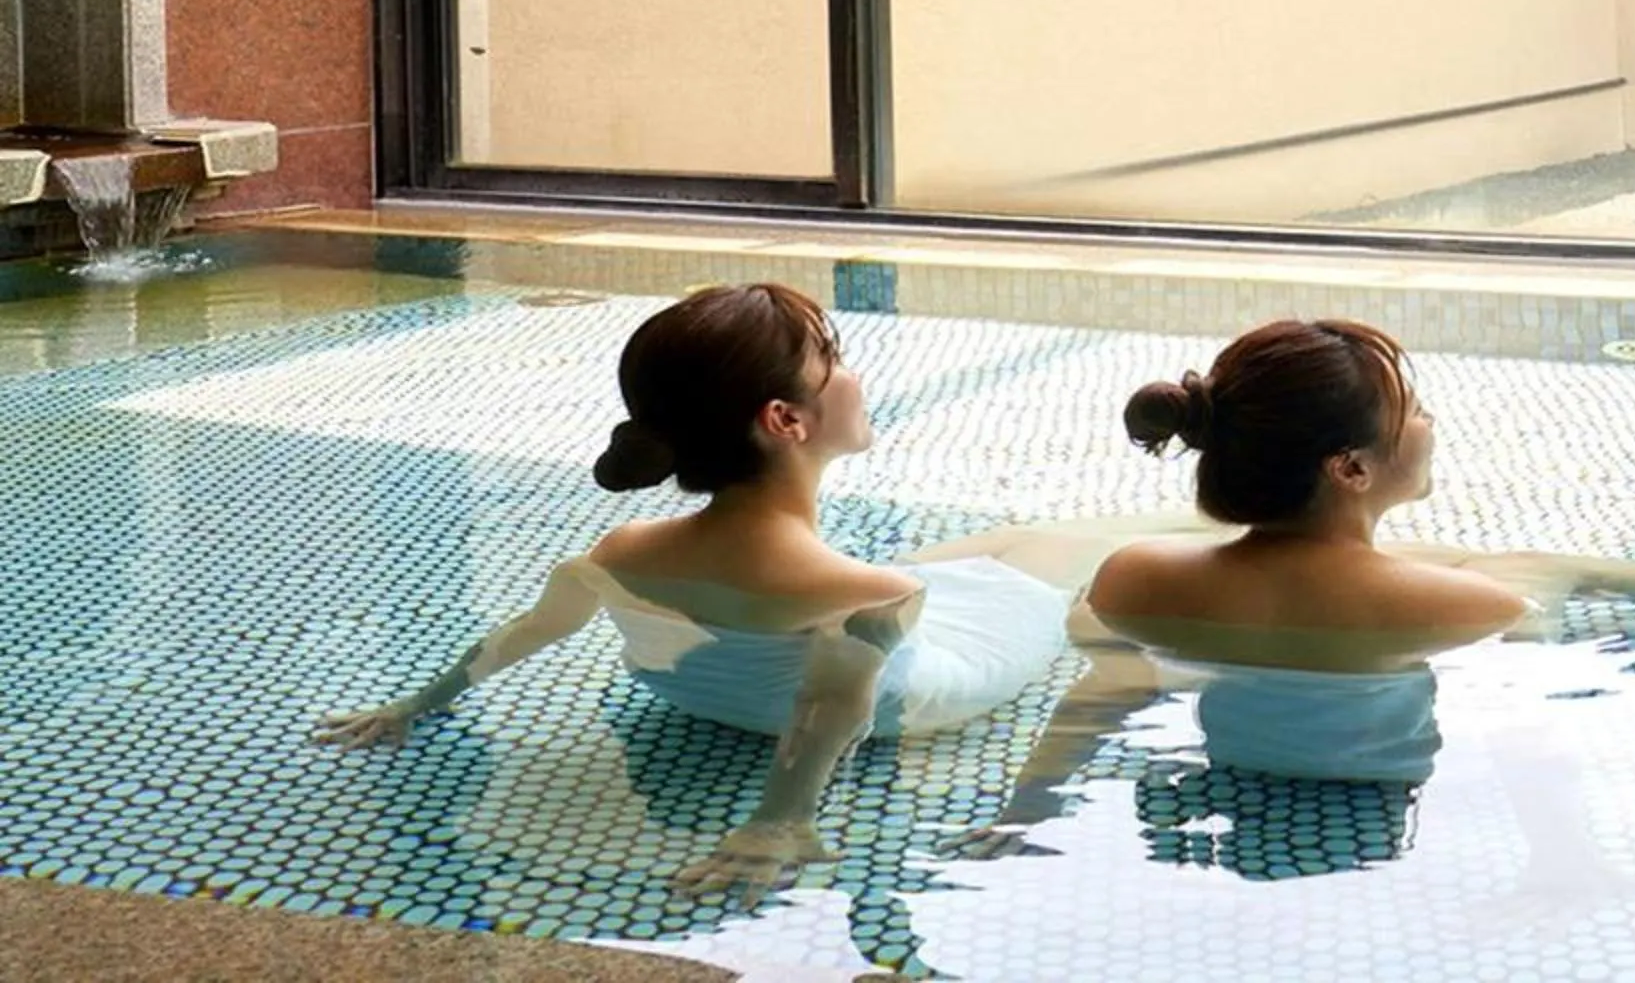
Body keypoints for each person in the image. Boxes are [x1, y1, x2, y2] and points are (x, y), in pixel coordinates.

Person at [312, 282, 1125, 887]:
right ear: (785, 420)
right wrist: (777, 823)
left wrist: (412, 707)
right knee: (1060, 565)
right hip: (933, 688)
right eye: (833, 362)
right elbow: (833, 705)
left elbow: (534, 627)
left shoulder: (625, 546)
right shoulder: (872, 591)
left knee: (984, 551)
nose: (852, 374)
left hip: (701, 691)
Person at [1080, 317, 1635, 783]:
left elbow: (1097, 702)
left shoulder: (1133, 577)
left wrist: (1024, 811)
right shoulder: (1473, 609)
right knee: (1536, 570)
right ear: (1351, 467)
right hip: (1385, 784)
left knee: (1509, 565)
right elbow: (1532, 743)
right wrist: (1566, 862)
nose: (1430, 423)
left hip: (1232, 767)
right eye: (1413, 411)